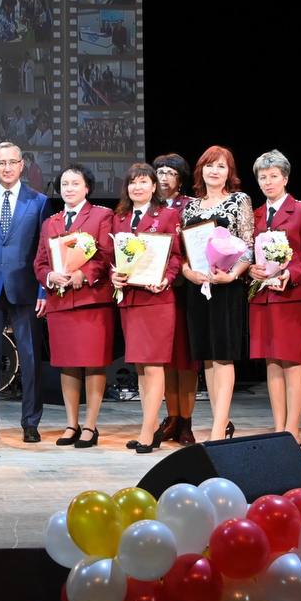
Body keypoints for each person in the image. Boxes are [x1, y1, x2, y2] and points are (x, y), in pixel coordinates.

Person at [0, 142, 48, 443]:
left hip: (26, 289)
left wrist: (43, 290)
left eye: (12, 162)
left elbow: (44, 251)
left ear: (21, 165)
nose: (7, 168)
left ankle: (31, 423)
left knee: (30, 360)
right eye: (1, 163)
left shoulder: (39, 202)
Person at [34, 164, 114, 449]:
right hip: (60, 302)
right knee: (67, 365)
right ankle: (71, 424)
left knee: (93, 363)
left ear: (87, 188)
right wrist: (49, 277)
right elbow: (40, 262)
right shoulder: (51, 222)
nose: (69, 188)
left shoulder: (102, 215)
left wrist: (84, 273)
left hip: (91, 301)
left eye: (75, 183)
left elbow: (106, 255)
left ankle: (90, 425)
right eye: (64, 184)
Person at [247, 150, 301, 447]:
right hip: (262, 298)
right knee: (272, 363)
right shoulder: (254, 214)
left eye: (273, 176)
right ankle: (278, 427)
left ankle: (293, 429)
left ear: (285, 178)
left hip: (291, 298)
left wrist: (291, 273)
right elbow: (247, 255)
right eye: (263, 177)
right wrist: (250, 269)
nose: (268, 182)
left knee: (291, 362)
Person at [180, 146, 253, 442]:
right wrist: (188, 272)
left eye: (221, 166)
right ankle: (219, 423)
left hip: (226, 287)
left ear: (229, 172)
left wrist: (232, 274)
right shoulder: (190, 207)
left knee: (223, 357)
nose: (215, 171)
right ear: (201, 170)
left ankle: (218, 430)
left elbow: (248, 245)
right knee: (207, 358)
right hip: (198, 288)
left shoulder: (239, 200)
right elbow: (184, 253)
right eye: (210, 165)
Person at [111, 163, 183, 453]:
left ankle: (147, 431)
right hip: (130, 300)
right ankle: (150, 426)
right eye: (132, 182)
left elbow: (176, 257)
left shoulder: (167, 215)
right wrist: (113, 275)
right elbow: (113, 258)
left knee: (153, 365)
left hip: (156, 300)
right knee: (141, 367)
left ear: (154, 187)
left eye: (143, 182)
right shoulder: (120, 218)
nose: (137, 187)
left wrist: (166, 278)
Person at [151, 153, 200, 444]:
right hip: (155, 290)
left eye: (171, 173)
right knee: (166, 358)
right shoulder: (148, 208)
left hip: (186, 289)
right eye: (160, 172)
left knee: (186, 359)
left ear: (180, 179)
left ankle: (186, 421)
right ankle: (171, 417)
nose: (164, 177)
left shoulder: (191, 206)